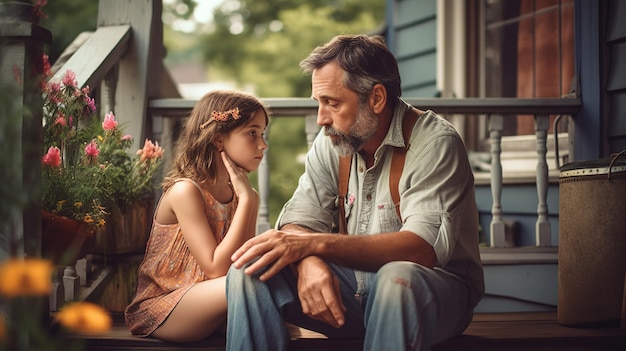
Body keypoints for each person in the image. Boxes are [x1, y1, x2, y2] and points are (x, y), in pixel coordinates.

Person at [225, 34, 484, 351]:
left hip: (429, 295)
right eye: (318, 103)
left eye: (332, 103)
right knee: (251, 267)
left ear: (376, 98)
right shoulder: (333, 139)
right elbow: (300, 220)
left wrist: (312, 245)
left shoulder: (435, 142)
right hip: (351, 293)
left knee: (396, 280)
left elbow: (421, 249)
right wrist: (308, 261)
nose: (321, 119)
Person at [124, 90, 269, 342]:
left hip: (215, 301)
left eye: (263, 134)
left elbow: (243, 263)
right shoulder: (186, 191)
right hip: (165, 307)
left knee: (264, 279)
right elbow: (215, 269)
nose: (263, 144)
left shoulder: (247, 196)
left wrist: (246, 199)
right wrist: (245, 201)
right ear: (218, 139)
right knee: (250, 285)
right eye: (252, 133)